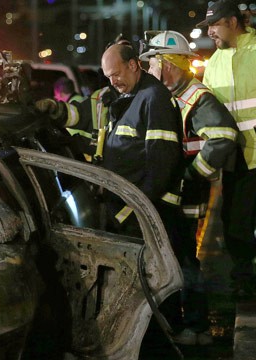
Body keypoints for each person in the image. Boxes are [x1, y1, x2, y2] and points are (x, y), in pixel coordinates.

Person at [140, 29, 239, 345]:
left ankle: (196, 327)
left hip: (185, 195)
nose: (148, 70)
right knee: (177, 257)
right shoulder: (169, 94)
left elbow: (223, 135)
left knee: (184, 259)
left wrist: (194, 173)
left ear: (166, 62)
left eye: (151, 63)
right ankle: (187, 324)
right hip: (174, 193)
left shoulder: (195, 97)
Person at [36, 44, 184, 238]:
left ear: (132, 65)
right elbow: (82, 116)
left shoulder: (154, 99)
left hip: (147, 214)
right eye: (108, 77)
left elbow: (161, 167)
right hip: (127, 208)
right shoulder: (122, 95)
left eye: (116, 74)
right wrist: (56, 110)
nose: (112, 82)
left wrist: (131, 210)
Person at [197, 0, 256, 297]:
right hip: (235, 158)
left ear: (233, 22)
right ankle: (244, 279)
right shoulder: (215, 62)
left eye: (214, 25)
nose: (210, 32)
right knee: (234, 222)